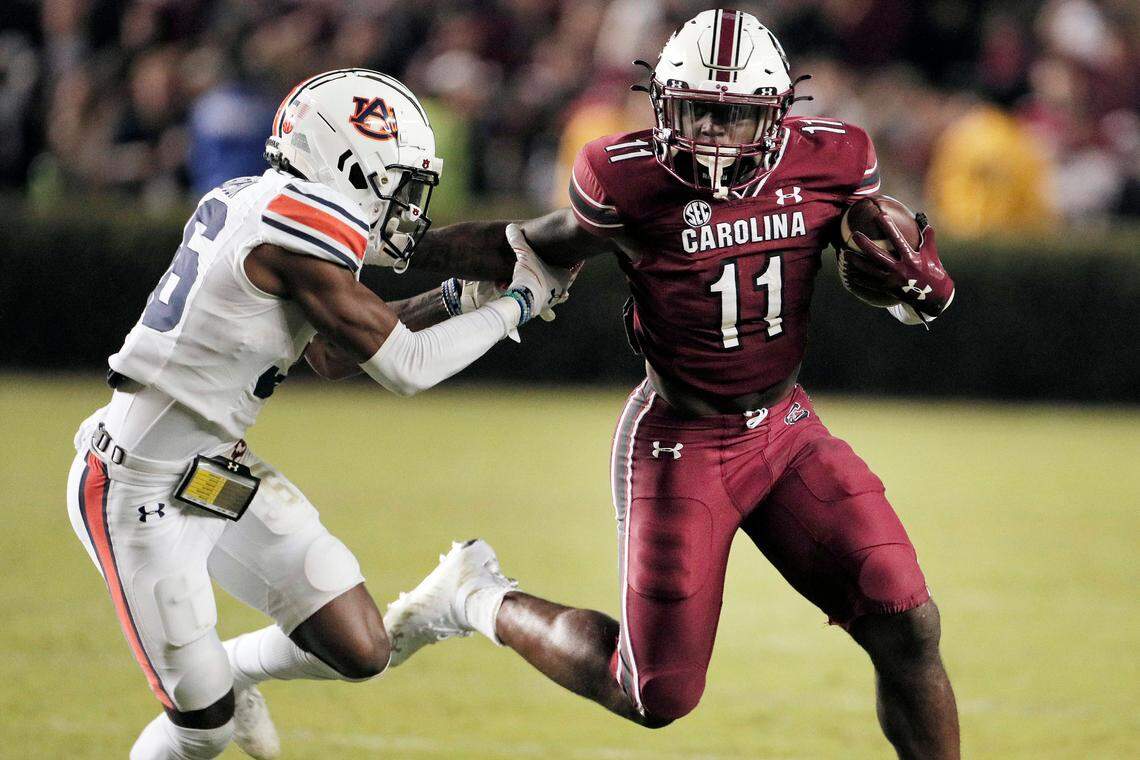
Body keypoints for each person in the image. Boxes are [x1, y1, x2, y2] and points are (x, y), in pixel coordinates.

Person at [384, 11, 961, 760]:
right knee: (654, 694)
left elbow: (875, 251)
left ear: (779, 114)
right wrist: (403, 245)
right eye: (697, 110)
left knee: (905, 617)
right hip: (681, 440)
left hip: (786, 430)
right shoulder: (623, 175)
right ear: (662, 103)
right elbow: (536, 243)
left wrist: (910, 281)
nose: (716, 133)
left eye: (736, 114)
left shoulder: (835, 156)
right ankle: (472, 595)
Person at [65, 68, 573, 760]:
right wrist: (520, 301)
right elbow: (408, 368)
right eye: (398, 180)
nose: (407, 205)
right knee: (202, 728)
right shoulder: (295, 224)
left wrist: (458, 299)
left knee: (360, 647)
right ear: (348, 164)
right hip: (132, 485)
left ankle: (234, 674)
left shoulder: (258, 199)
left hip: (213, 467)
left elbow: (334, 354)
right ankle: (218, 696)